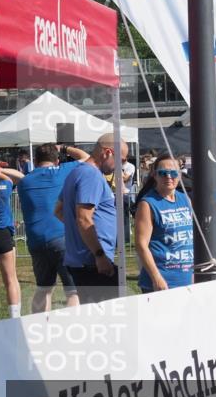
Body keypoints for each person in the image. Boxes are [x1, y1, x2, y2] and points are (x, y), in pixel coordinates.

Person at [55, 134, 129, 304]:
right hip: (93, 263)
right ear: (108, 152)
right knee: (109, 322)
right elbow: (84, 219)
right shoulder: (91, 175)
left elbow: (59, 211)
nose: (121, 166)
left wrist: (81, 233)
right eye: (122, 160)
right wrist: (99, 255)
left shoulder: (76, 173)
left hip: (84, 261)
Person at [18, 143, 89, 313]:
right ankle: (74, 328)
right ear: (57, 161)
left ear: (35, 160)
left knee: (43, 288)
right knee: (72, 291)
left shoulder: (24, 182)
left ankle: (38, 327)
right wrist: (64, 148)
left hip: (36, 241)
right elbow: (86, 157)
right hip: (61, 237)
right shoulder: (62, 172)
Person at [135, 154, 194, 292]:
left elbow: (190, 237)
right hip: (160, 282)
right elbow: (141, 245)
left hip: (186, 279)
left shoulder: (185, 199)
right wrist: (157, 278)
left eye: (173, 173)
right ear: (155, 175)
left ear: (179, 175)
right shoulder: (148, 204)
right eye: (163, 173)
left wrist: (193, 272)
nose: (169, 177)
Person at [0, 158, 24, 318]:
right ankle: (15, 318)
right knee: (10, 279)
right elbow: (20, 176)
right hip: (2, 233)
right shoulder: (6, 184)